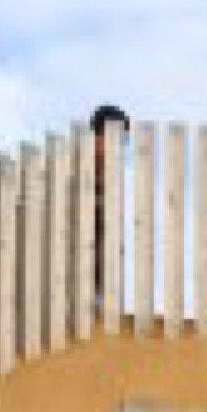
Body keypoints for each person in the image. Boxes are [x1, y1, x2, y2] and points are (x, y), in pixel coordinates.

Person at [88, 105, 130, 318]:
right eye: (112, 139)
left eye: (122, 142)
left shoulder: (112, 186)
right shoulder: (68, 178)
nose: (118, 148)